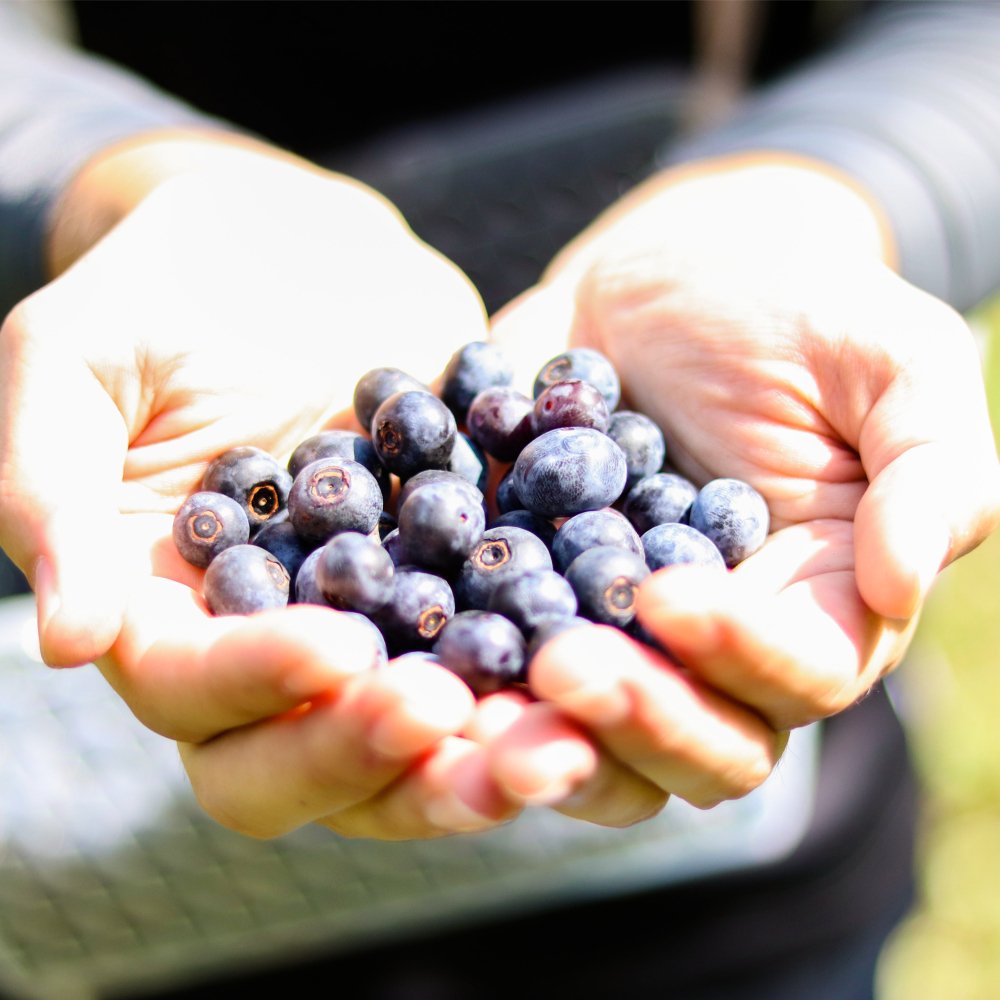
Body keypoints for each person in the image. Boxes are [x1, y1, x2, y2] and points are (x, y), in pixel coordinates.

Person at [0, 1, 998, 996]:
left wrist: (826, 193)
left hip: (734, 903)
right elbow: (265, 492)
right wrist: (100, 177)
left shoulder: (595, 486)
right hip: (170, 880)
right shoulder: (284, 480)